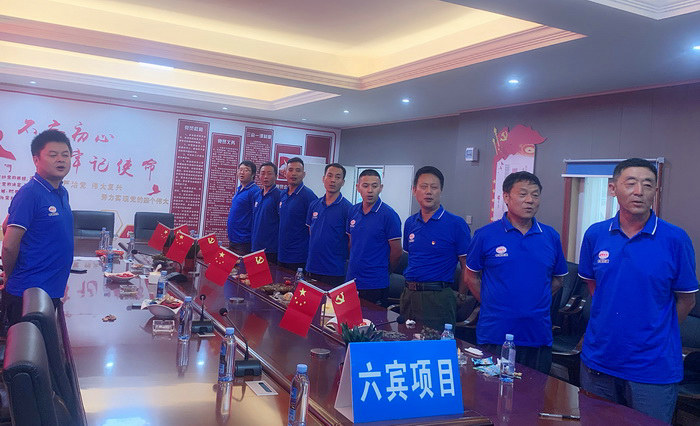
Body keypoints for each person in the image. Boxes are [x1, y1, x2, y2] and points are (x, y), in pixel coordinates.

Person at [578, 158, 697, 423]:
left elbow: (687, 300)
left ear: (656, 191)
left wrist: (656, 329)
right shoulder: (596, 235)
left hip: (652, 367)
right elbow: (595, 286)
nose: (639, 191)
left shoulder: (676, 239)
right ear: (613, 189)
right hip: (600, 359)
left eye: (648, 185)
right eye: (630, 183)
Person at [465, 171, 567, 374]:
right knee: (490, 391)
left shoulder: (550, 236)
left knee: (535, 392)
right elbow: (471, 277)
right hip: (495, 333)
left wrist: (535, 300)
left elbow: (558, 280)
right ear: (506, 197)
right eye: (523, 194)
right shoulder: (485, 235)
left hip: (537, 335)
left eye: (535, 195)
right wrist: (493, 302)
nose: (530, 200)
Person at [1, 129, 74, 328]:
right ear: (36, 160)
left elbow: (6, 223)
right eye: (53, 155)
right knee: (30, 346)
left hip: (51, 288)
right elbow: (8, 245)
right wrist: (10, 275)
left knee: (48, 341)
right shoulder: (30, 193)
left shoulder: (61, 192)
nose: (61, 160)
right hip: (29, 293)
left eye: (65, 155)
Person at [401, 166, 471, 331]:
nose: (429, 192)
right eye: (423, 187)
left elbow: (467, 264)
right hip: (409, 294)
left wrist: (461, 295)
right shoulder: (410, 223)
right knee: (405, 341)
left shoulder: (456, 224)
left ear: (441, 191)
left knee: (434, 344)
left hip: (438, 298)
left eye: (434, 187)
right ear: (414, 190)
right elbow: (411, 258)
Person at [346, 169, 402, 305]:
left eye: (374, 186)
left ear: (380, 188)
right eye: (365, 186)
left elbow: (397, 251)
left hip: (375, 283)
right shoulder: (353, 211)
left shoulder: (389, 215)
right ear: (358, 187)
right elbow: (351, 243)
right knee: (348, 317)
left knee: (372, 318)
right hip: (352, 279)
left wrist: (385, 270)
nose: (370, 190)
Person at [306, 163, 352, 285]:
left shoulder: (348, 208)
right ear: (323, 178)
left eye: (338, 177)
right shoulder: (314, 205)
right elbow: (311, 232)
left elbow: (350, 241)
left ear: (343, 182)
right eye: (329, 176)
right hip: (312, 266)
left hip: (334, 270)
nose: (333, 180)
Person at [278, 157, 316, 271]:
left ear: (304, 174)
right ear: (285, 173)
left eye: (298, 170)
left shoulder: (309, 196)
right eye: (290, 170)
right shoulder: (282, 194)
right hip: (282, 253)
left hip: (299, 257)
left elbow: (314, 228)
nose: (294, 173)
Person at [227, 160, 260, 255]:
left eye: (246, 170)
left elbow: (256, 216)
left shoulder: (254, 191)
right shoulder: (239, 189)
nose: (242, 172)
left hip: (244, 240)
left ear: (253, 174)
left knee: (241, 264)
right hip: (233, 238)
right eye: (240, 170)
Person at [251, 161, 281, 263]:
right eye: (263, 173)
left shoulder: (279, 196)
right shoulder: (257, 195)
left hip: (271, 249)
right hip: (255, 246)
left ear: (276, 176)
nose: (265, 177)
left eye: (269, 173)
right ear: (259, 176)